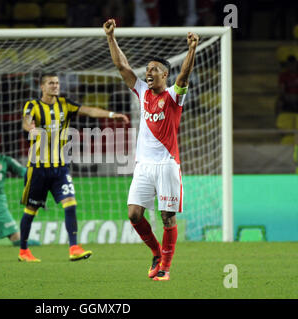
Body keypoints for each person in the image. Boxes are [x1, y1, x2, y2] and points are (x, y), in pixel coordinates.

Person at [103, 19, 199, 281]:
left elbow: (184, 75)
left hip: (167, 164)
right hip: (143, 165)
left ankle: (166, 268)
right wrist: (111, 37)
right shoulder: (142, 90)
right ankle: (157, 253)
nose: (148, 72)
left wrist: (191, 50)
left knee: (167, 217)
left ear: (164, 75)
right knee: (134, 214)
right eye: (147, 69)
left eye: (154, 69)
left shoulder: (173, 96)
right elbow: (121, 66)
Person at [19, 72, 130, 262]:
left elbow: (89, 110)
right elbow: (26, 122)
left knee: (70, 203)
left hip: (60, 167)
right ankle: (23, 251)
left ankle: (74, 247)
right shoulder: (33, 105)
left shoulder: (65, 104)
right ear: (42, 87)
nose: (55, 86)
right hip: (38, 168)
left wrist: (112, 115)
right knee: (31, 209)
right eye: (51, 83)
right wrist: (32, 129)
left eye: (57, 83)